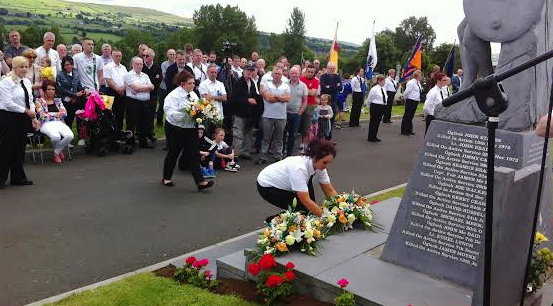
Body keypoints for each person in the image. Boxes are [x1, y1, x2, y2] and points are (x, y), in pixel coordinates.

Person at [256, 138, 338, 217]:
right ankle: (274, 221)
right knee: (305, 209)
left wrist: (341, 208)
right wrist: (326, 218)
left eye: (329, 163)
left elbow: (329, 190)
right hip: (267, 186)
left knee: (311, 209)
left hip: (288, 181)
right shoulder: (299, 168)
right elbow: (306, 201)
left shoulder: (320, 167)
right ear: (315, 158)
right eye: (325, 162)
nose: (326, 166)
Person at [161, 70, 214, 190]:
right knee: (173, 153)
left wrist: (200, 118)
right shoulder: (173, 96)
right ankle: (166, 178)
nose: (192, 85)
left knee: (194, 154)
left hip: (190, 128)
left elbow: (198, 109)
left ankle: (200, 182)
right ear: (182, 84)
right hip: (175, 128)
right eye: (190, 83)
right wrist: (188, 113)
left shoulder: (194, 94)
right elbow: (170, 113)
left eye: (193, 83)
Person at [0, 56, 39, 188]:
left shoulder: (27, 82)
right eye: (21, 66)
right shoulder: (6, 81)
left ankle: (18, 178)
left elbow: (31, 100)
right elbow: (8, 103)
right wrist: (27, 111)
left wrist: (33, 116)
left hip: (23, 116)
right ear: (14, 67)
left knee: (20, 147)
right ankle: (1, 179)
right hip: (8, 116)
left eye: (26, 66)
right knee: (7, 147)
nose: (24, 69)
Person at [35, 80, 74, 163]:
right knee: (56, 137)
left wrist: (50, 114)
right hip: (45, 124)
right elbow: (42, 115)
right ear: (44, 90)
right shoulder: (39, 101)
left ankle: (56, 152)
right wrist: (57, 114)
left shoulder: (58, 100)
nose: (51, 91)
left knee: (70, 135)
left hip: (59, 123)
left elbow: (64, 113)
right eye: (49, 89)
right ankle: (58, 152)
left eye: (53, 89)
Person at [125, 56, 154, 149]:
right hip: (133, 102)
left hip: (145, 102)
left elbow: (152, 87)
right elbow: (136, 88)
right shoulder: (129, 75)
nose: (139, 65)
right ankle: (130, 143)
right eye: (137, 64)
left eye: (141, 64)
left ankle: (143, 143)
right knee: (131, 123)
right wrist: (145, 87)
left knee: (144, 123)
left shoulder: (145, 75)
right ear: (132, 65)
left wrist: (139, 88)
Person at [56, 56, 86, 132]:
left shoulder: (76, 72)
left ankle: (81, 137)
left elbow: (79, 85)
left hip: (76, 100)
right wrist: (74, 94)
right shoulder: (59, 74)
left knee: (80, 118)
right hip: (65, 100)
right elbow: (61, 89)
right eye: (66, 65)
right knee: (67, 120)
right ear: (63, 65)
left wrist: (84, 90)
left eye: (70, 64)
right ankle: (66, 139)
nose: (69, 66)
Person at [284, 66, 307, 156]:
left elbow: (305, 100)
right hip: (284, 113)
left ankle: (289, 154)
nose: (294, 75)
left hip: (296, 114)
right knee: (282, 134)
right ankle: (281, 153)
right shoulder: (285, 84)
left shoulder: (303, 86)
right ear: (289, 74)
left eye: (296, 73)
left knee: (293, 135)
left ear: (299, 74)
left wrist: (300, 112)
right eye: (292, 73)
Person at [401, 70, 422, 136]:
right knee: (407, 115)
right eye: (420, 75)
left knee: (411, 116)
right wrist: (404, 98)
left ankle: (409, 130)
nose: (421, 76)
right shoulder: (411, 82)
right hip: (410, 100)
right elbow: (407, 92)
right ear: (416, 75)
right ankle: (404, 130)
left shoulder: (418, 82)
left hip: (416, 100)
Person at [367, 75, 388, 142]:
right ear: (379, 81)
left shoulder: (383, 89)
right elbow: (370, 98)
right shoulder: (374, 89)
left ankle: (374, 136)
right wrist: (369, 105)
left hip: (381, 107)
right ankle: (371, 137)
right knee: (373, 122)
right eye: (383, 81)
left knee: (377, 122)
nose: (384, 82)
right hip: (375, 106)